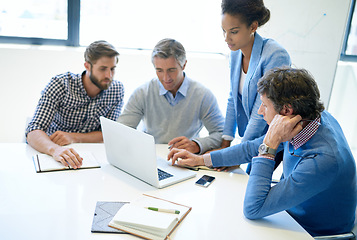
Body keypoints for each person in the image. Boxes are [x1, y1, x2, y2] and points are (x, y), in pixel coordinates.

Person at [168, 67, 357, 237]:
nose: (260, 111)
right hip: (292, 214)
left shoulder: (324, 159)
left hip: (310, 232)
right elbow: (252, 147)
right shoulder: (308, 118)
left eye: (265, 105)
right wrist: (201, 159)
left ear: (286, 110)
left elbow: (253, 209)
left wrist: (271, 142)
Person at [26, 40, 124, 169]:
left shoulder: (116, 90)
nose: (109, 75)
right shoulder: (61, 84)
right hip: (53, 153)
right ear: (87, 66)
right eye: (103, 69)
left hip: (92, 157)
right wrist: (55, 150)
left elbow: (108, 133)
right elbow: (33, 130)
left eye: (112, 69)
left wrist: (74, 137)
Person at [117, 38, 224, 154]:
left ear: (184, 65)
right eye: (159, 70)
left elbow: (221, 134)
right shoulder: (143, 92)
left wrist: (197, 144)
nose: (165, 78)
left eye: (171, 70)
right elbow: (121, 131)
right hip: (150, 156)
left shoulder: (203, 95)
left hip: (187, 159)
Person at [217, 0, 291, 160]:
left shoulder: (275, 55)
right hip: (249, 141)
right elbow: (233, 98)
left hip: (271, 139)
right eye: (224, 31)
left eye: (233, 31)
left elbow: (262, 109)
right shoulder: (235, 53)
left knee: (250, 181)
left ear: (253, 27)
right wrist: (225, 143)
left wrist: (235, 155)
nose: (226, 38)